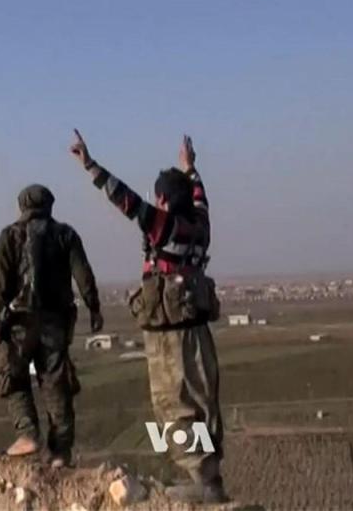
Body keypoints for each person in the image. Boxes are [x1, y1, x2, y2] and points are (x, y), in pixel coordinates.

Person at [69, 131, 227, 503]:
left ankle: (197, 479)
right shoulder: (201, 228)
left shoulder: (166, 226)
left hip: (168, 337)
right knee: (203, 403)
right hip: (198, 331)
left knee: (171, 406)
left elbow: (124, 199)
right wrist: (192, 169)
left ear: (163, 199)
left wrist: (89, 164)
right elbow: (201, 198)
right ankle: (210, 477)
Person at [0, 184, 102, 468]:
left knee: (13, 377)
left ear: (21, 206)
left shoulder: (10, 235)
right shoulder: (66, 234)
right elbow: (83, 274)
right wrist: (94, 306)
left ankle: (27, 434)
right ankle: (60, 452)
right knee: (56, 383)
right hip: (55, 322)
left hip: (18, 325)